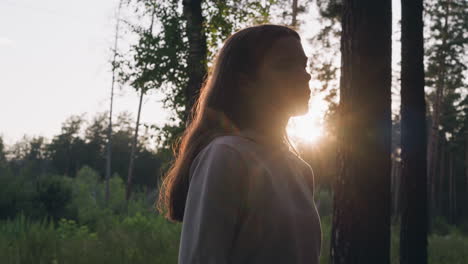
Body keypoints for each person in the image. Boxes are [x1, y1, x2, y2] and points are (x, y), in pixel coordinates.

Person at [157, 24, 322, 264]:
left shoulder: (301, 170)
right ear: (245, 84)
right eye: (286, 65)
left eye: (304, 65)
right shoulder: (227, 155)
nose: (305, 75)